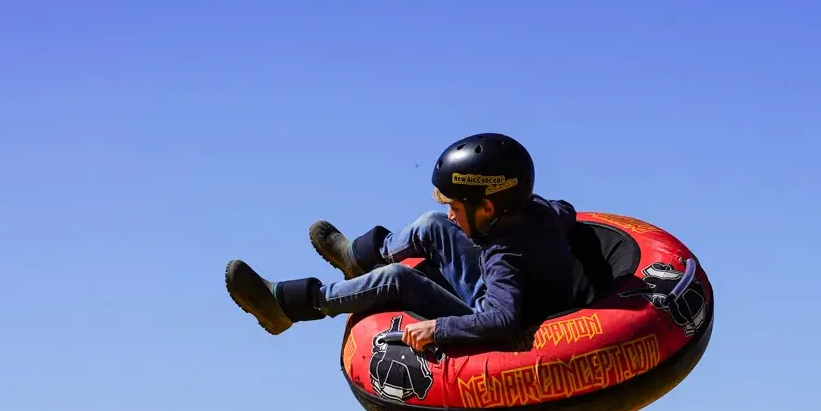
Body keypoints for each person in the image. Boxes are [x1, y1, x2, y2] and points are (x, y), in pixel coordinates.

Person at [224, 133, 595, 353]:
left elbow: (501, 319)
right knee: (431, 225)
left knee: (397, 278)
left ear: (487, 207)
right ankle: (358, 256)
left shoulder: (503, 258)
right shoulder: (540, 209)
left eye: (456, 206)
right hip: (519, 288)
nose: (452, 213)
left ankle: (291, 307)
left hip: (495, 314)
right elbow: (568, 211)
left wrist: (437, 329)